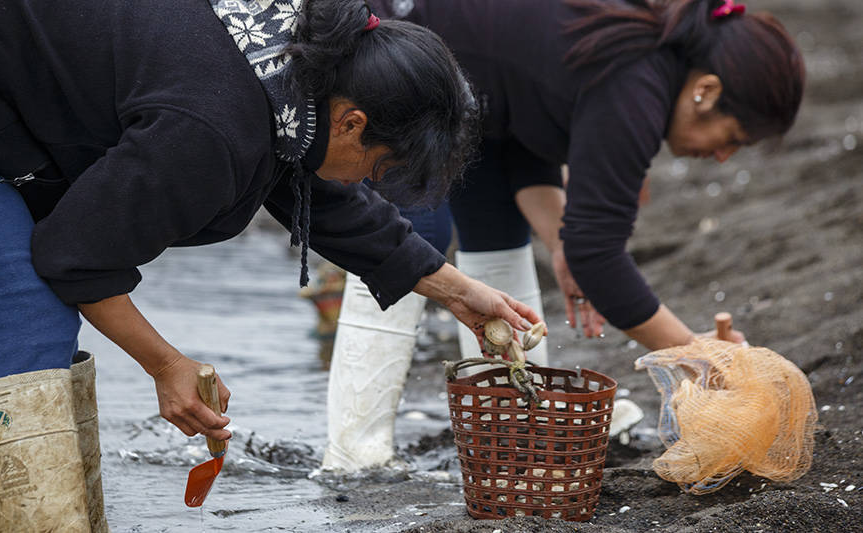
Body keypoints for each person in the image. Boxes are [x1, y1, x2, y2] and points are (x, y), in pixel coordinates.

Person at [0, 0, 544, 530]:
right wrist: (165, 363)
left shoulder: (290, 75)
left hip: (23, 86)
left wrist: (458, 293)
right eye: (378, 167)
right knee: (32, 322)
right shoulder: (211, 126)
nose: (370, 183)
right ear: (351, 123)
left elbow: (319, 191)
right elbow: (73, 257)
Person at [323, 0, 804, 471]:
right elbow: (599, 257)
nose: (724, 157)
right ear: (706, 90)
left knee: (497, 233)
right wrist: (695, 356)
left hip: (483, 107)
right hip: (401, 52)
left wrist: (560, 241)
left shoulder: (640, 63)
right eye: (734, 137)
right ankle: (354, 452)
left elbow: (523, 133)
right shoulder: (635, 85)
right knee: (420, 228)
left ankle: (504, 435)